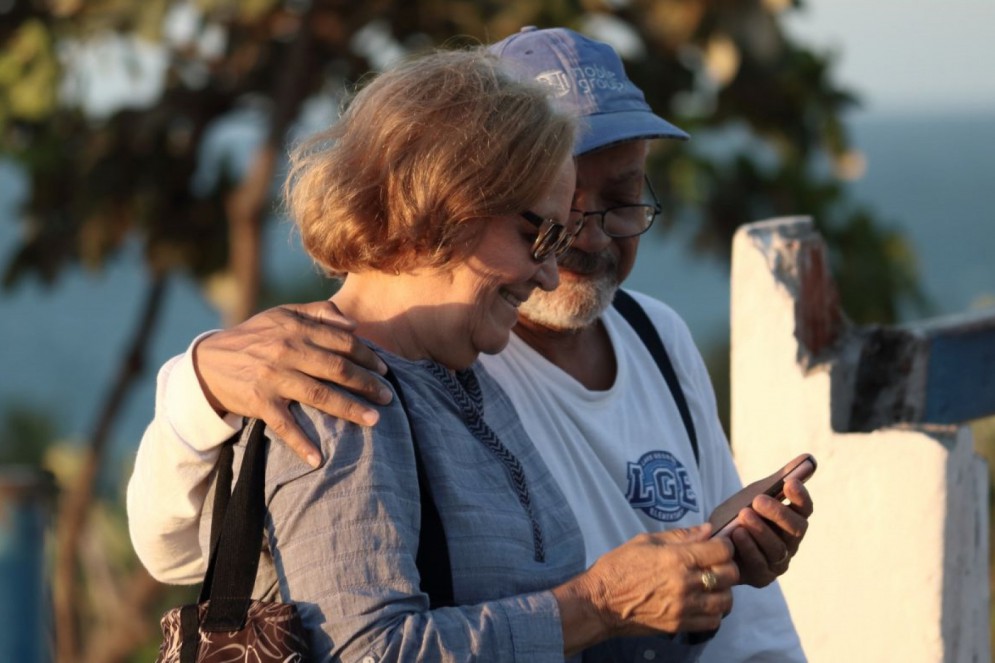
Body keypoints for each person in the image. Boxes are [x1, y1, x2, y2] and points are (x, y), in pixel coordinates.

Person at [129, 29, 812, 661]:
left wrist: (694, 569)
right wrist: (199, 383)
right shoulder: (335, 383)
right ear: (445, 204)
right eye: (541, 231)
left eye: (624, 199)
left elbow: (543, 628)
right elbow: (367, 646)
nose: (560, 259)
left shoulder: (465, 380)